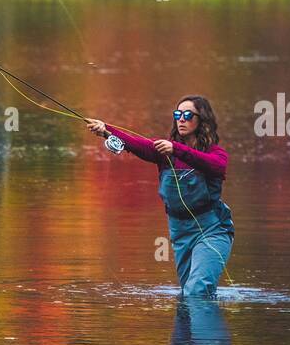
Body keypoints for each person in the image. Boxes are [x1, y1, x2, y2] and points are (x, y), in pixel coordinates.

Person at [86, 97, 234, 299]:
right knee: (188, 293)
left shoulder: (215, 153)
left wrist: (177, 149)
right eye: (177, 115)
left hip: (212, 230)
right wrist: (106, 130)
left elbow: (216, 166)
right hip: (180, 233)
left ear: (202, 120)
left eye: (188, 115)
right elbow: (135, 143)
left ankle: (204, 329)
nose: (181, 119)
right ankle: (193, 330)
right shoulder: (164, 153)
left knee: (196, 291)